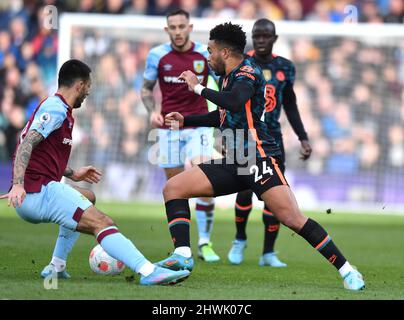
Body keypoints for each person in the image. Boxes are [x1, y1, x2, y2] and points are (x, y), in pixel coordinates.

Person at [157, 22, 365, 291]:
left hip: (259, 158)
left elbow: (232, 102)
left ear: (224, 53)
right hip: (235, 159)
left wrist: (197, 88)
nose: (207, 57)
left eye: (210, 52)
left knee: (292, 219)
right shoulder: (227, 76)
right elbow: (222, 114)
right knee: (174, 188)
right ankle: (182, 256)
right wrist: (186, 119)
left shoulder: (248, 74)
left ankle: (348, 271)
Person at [0, 59, 190, 286]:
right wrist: (19, 184)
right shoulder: (56, 109)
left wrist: (72, 173)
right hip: (35, 192)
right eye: (88, 87)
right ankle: (148, 271)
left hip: (37, 189)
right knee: (103, 221)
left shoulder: (59, 108)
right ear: (79, 85)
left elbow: (42, 154)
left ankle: (56, 266)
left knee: (87, 197)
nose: (88, 92)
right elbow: (26, 144)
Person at [228, 18, 312, 267]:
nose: (262, 40)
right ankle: (240, 239)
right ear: (253, 38)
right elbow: (231, 101)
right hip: (245, 137)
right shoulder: (241, 63)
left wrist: (303, 136)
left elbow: (290, 104)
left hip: (273, 138)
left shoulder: (285, 67)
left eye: (266, 36)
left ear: (274, 39)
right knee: (244, 188)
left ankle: (268, 252)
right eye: (257, 36)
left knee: (274, 195)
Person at [141, 9, 219, 262]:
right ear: (167, 30)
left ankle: (205, 242)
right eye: (172, 27)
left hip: (198, 126)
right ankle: (181, 246)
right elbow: (146, 88)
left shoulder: (204, 56)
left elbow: (224, 82)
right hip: (169, 129)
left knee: (207, 181)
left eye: (181, 26)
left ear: (190, 27)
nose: (177, 31)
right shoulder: (157, 55)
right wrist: (152, 110)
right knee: (175, 188)